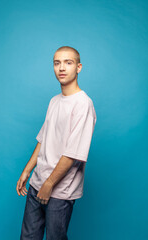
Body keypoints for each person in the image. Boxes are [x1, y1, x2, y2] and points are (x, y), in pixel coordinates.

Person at [16, 46, 97, 240]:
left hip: (60, 190)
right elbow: (44, 139)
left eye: (68, 63)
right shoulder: (54, 101)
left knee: (55, 238)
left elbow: (72, 153)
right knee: (28, 237)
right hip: (38, 183)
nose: (61, 68)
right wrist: (27, 170)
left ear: (79, 67)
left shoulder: (83, 104)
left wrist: (50, 184)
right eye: (57, 63)